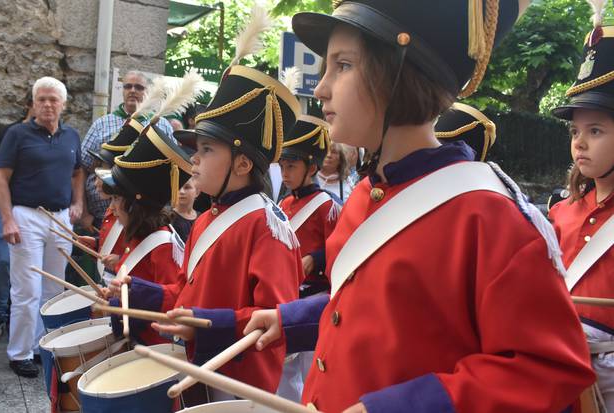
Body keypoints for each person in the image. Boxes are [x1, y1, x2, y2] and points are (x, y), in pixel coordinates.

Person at [244, 2, 595, 412]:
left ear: (398, 74)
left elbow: (548, 368)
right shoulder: (366, 194)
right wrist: (290, 321)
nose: (321, 88)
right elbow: (373, 309)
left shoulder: (489, 214)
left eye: (342, 66)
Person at [112, 29, 305, 398]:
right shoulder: (206, 218)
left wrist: (209, 325)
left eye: (206, 150)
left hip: (239, 388)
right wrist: (139, 293)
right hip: (200, 371)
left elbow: (277, 321)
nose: (194, 160)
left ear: (243, 162)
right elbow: (186, 296)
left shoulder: (266, 226)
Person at [0, 76, 84, 378]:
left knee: (54, 289)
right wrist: (7, 218)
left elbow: (77, 173)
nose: (47, 104)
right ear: (33, 103)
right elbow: (0, 178)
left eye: (53, 99)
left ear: (63, 104)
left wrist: (78, 204)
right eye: (41, 99)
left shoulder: (72, 136)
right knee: (27, 289)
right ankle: (19, 353)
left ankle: (41, 348)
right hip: (26, 215)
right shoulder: (17, 134)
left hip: (60, 218)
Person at [549, 11, 614, 411]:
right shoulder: (561, 212)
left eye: (596, 131)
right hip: (557, 369)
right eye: (576, 131)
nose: (580, 143)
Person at [102, 124, 190, 345]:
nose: (111, 208)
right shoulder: (136, 236)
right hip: (133, 341)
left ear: (134, 205)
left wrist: (129, 297)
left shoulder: (163, 245)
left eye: (115, 199)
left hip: (151, 350)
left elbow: (175, 301)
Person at [276, 115, 340, 401]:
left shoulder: (327, 205)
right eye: (282, 166)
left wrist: (317, 257)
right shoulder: (283, 204)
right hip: (288, 295)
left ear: (311, 168)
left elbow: (340, 247)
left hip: (315, 297)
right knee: (286, 369)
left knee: (313, 366)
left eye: (291, 166)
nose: (285, 172)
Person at [79, 71, 174, 231]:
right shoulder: (101, 124)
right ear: (122, 90)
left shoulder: (162, 126)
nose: (132, 90)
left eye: (139, 87)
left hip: (142, 217)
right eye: (128, 86)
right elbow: (82, 167)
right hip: (100, 216)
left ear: (147, 92)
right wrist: (83, 212)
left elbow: (170, 170)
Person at [0, 91, 34, 342]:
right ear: (28, 103)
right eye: (39, 100)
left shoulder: (58, 136)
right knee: (3, 262)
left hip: (38, 213)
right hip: (8, 208)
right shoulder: (9, 133)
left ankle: (23, 321)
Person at [170, 177, 200, 242]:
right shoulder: (167, 218)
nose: (181, 191)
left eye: (187, 187)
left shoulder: (202, 218)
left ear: (197, 192)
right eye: (178, 187)